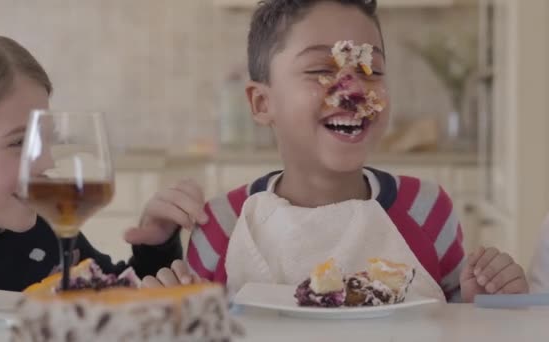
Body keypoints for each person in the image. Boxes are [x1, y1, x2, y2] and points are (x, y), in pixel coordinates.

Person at [127, 0, 529, 302]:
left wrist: (485, 298)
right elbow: (194, 319)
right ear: (262, 104)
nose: (352, 90)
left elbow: (457, 318)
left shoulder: (428, 210)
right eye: (322, 69)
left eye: (370, 69)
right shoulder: (222, 225)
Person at [0, 26, 181, 301]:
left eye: (46, 140)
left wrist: (155, 249)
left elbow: (117, 301)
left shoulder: (47, 230)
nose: (47, 161)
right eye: (19, 143)